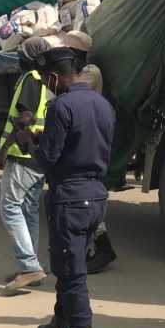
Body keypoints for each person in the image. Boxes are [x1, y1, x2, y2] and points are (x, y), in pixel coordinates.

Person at [19, 46, 114, 328]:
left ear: (54, 76)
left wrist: (29, 143)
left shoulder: (61, 107)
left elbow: (46, 161)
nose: (47, 87)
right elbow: (84, 142)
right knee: (69, 266)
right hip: (96, 197)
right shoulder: (103, 105)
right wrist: (45, 139)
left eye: (47, 82)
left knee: (72, 275)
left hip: (69, 199)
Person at [0, 36, 52, 292]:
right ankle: (30, 267)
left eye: (23, 54)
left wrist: (4, 149)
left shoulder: (30, 79)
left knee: (9, 206)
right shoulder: (47, 81)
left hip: (23, 155)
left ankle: (29, 266)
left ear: (32, 59)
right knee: (28, 210)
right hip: (38, 157)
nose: (19, 57)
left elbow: (25, 119)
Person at [58, 31, 117, 275]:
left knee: (82, 195)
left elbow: (67, 95)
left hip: (87, 136)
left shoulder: (91, 73)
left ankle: (101, 248)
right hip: (79, 132)